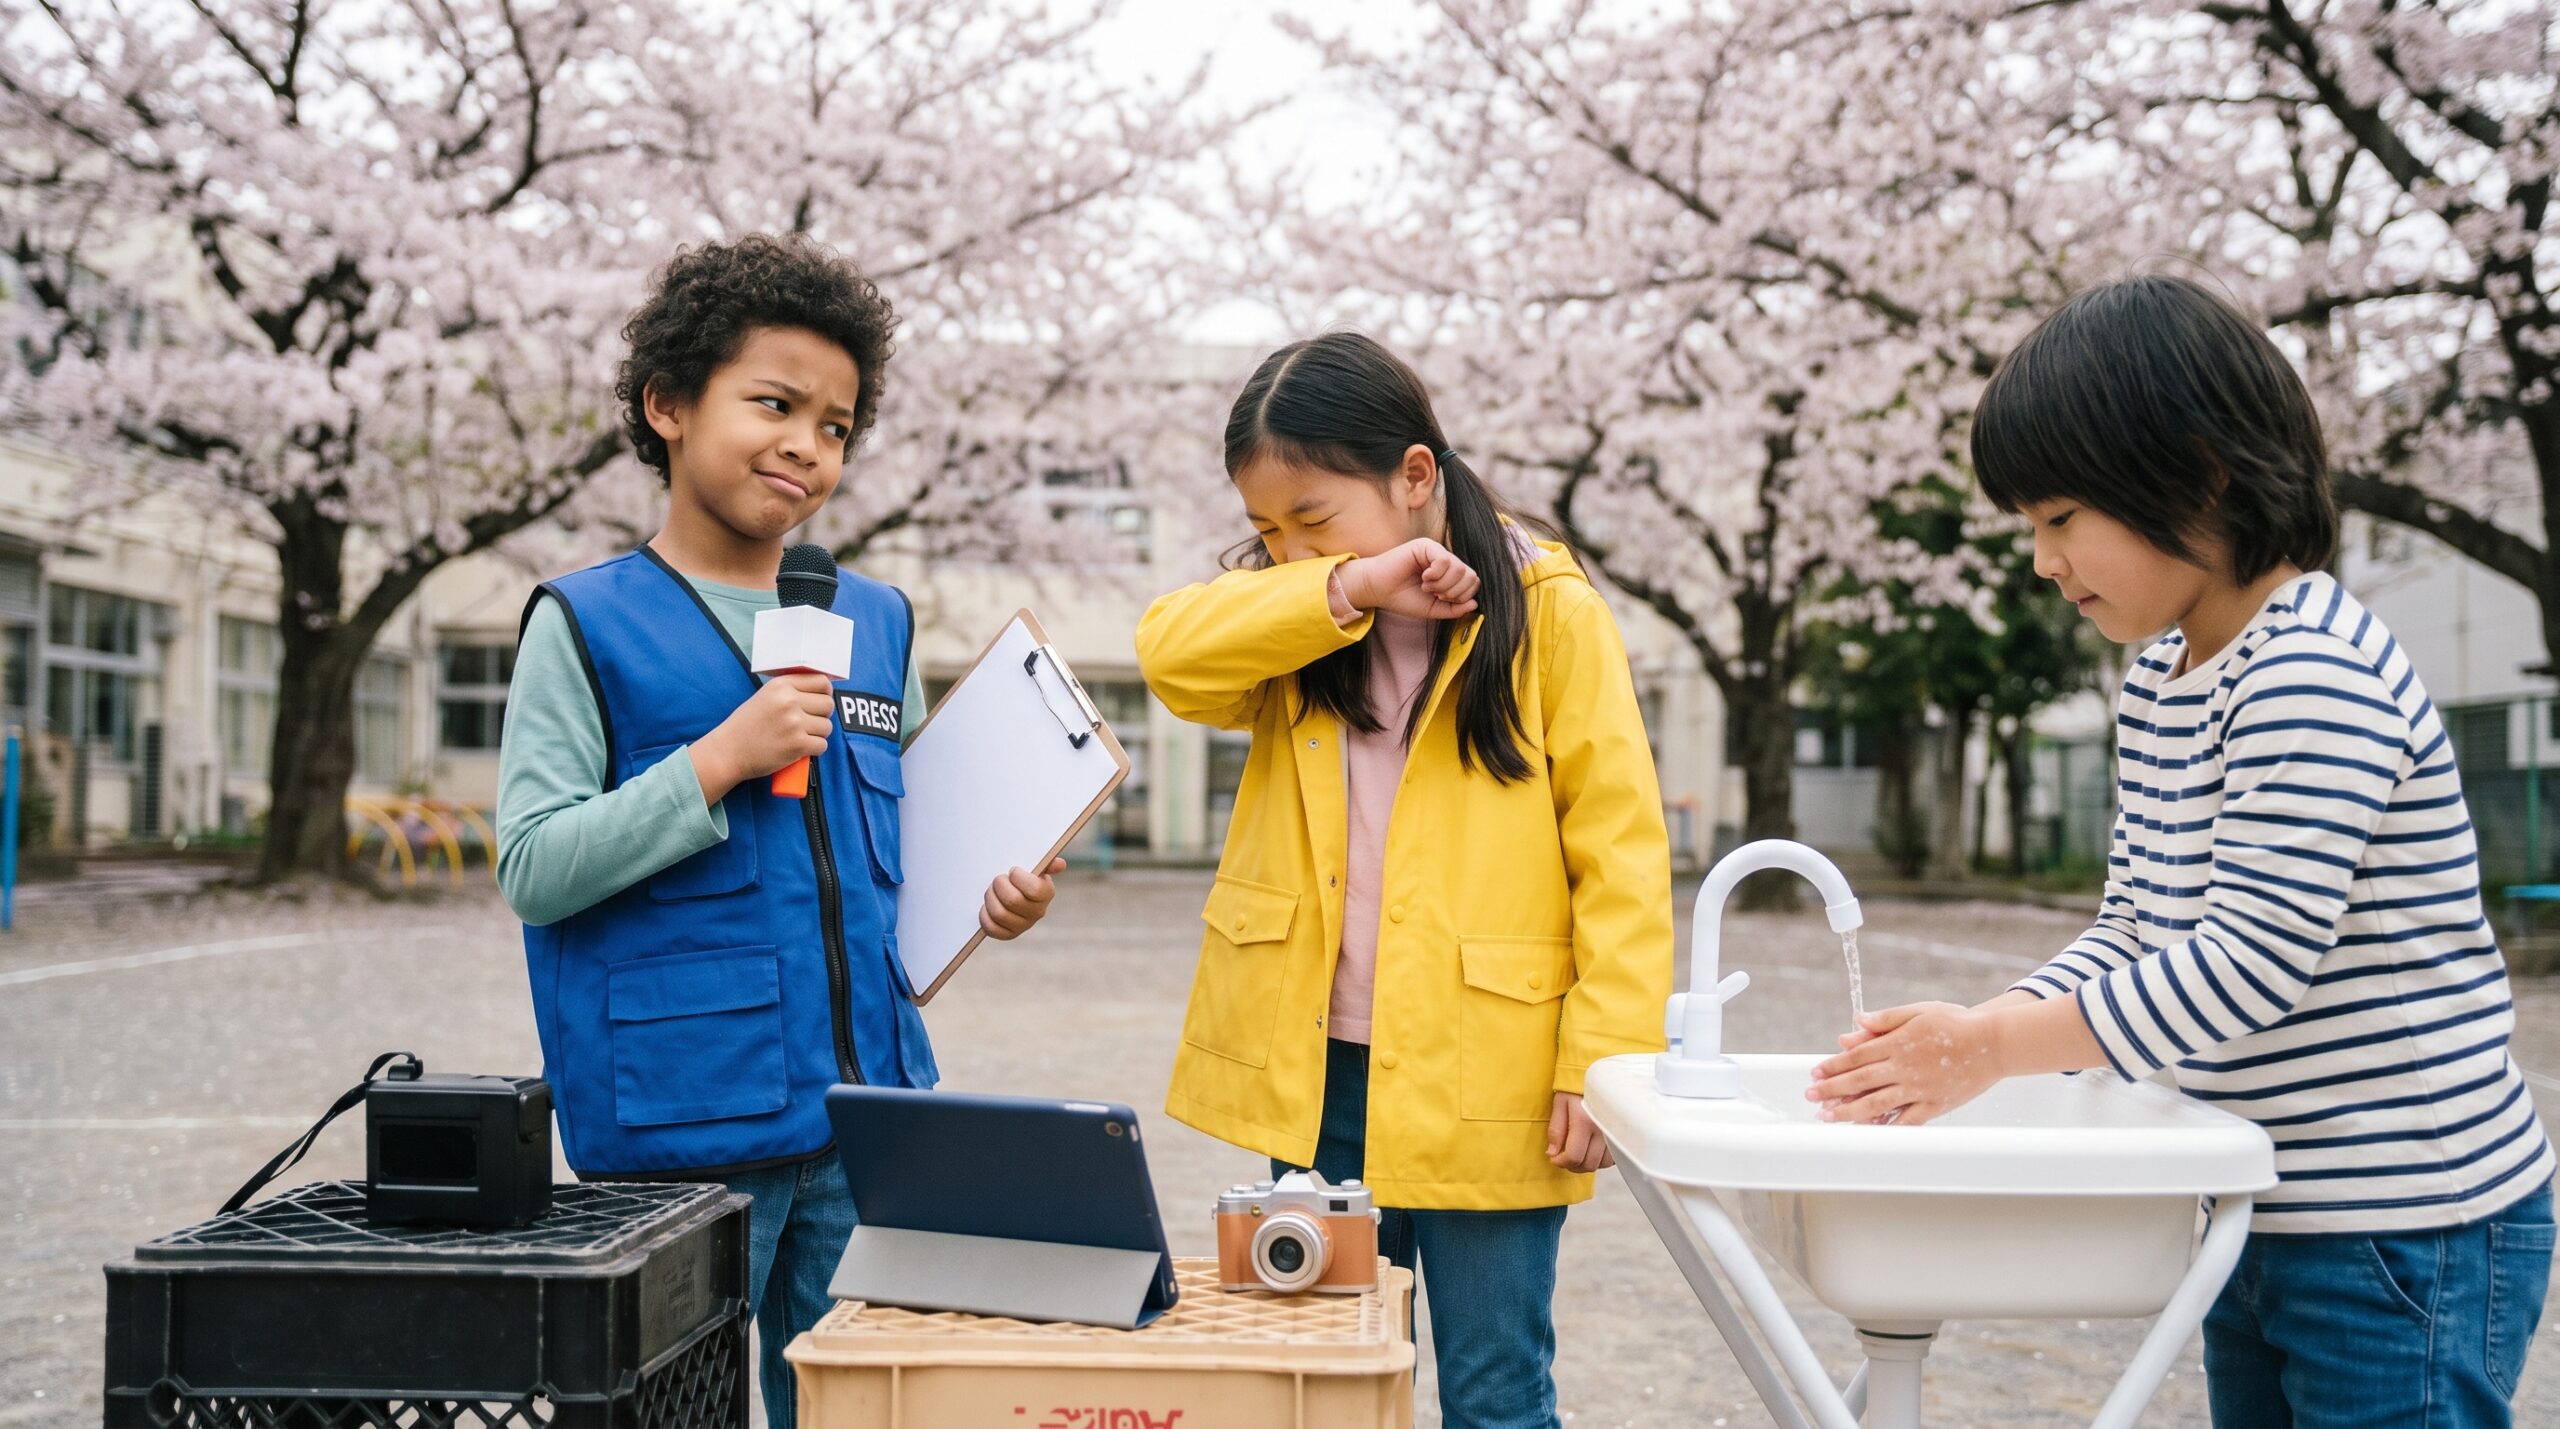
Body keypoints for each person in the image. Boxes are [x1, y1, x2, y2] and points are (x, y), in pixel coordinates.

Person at [1809, 273, 2556, 1426]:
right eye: (2029, 529)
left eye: (2061, 519)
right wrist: (1979, 1030)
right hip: (2252, 1190)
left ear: (2199, 472)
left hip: (2405, 1217)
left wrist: (1994, 1047)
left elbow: (2248, 962)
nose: (2044, 562)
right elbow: (2138, 928)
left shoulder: (2310, 668)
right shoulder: (2162, 678)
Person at [495, 232, 1063, 1428]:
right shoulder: (584, 624)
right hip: (683, 1129)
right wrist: (716, 764)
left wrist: (993, 897)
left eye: (838, 425)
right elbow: (535, 867)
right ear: (666, 405)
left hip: (870, 1119)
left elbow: (898, 849)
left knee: (860, 1413)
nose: (808, 446)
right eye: (775, 404)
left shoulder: (876, 620)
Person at [1136, 331, 1673, 1429]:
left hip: (1499, 1069)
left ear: (1415, 475)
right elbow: (1167, 656)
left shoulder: (1550, 609)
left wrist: (1603, 1059)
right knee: (1324, 1379)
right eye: (1267, 530)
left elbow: (1618, 851)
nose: (1286, 550)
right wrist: (1345, 578)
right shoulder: (1298, 616)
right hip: (1317, 1066)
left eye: (1313, 518)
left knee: (1494, 1388)